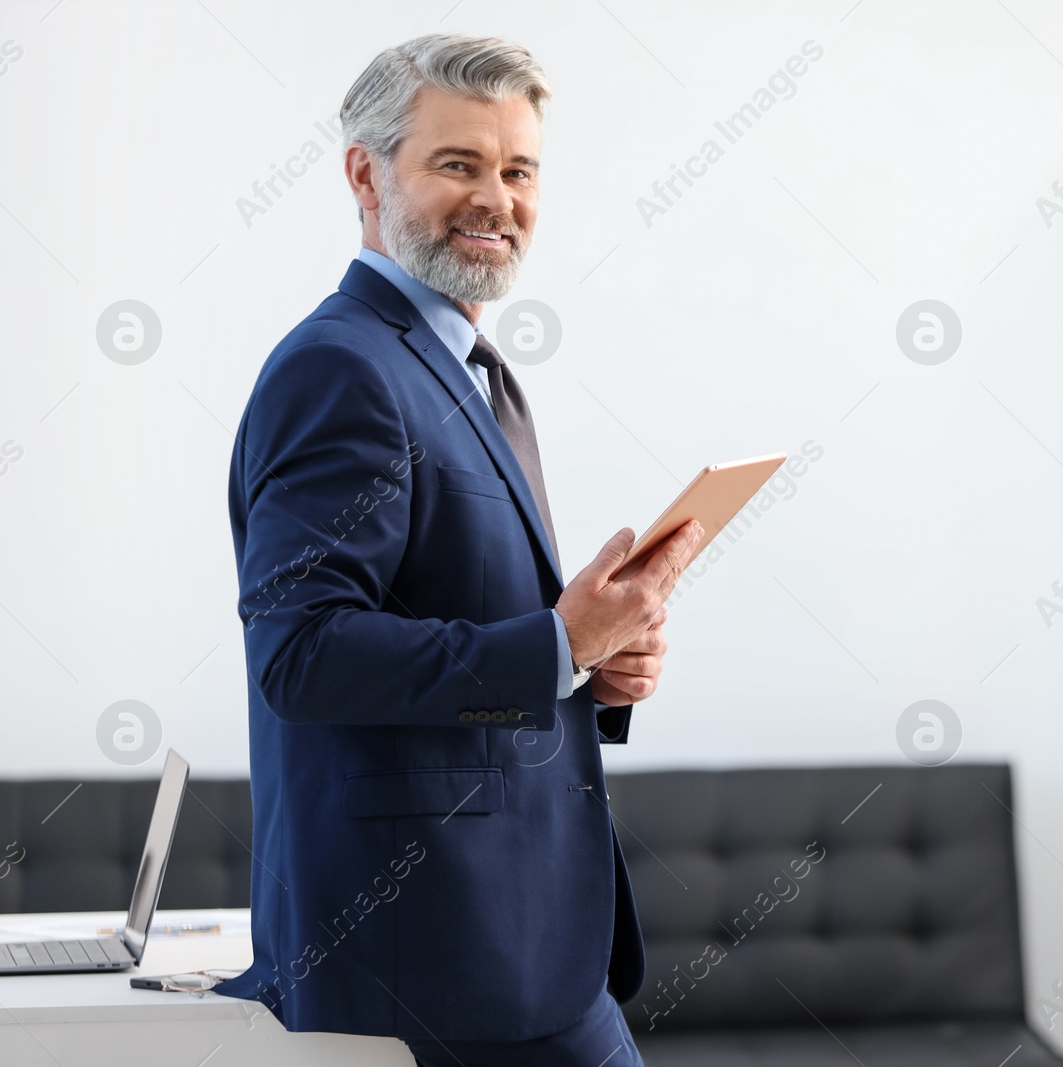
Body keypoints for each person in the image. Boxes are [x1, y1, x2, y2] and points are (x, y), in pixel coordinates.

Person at [215, 32, 701, 1066]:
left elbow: (472, 630)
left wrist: (595, 667)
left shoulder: (464, 368)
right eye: (457, 165)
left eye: (518, 169)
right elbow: (301, 656)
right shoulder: (340, 369)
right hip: (429, 961)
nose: (497, 198)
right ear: (365, 172)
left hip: (517, 946)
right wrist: (555, 646)